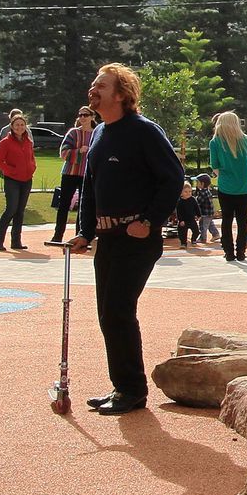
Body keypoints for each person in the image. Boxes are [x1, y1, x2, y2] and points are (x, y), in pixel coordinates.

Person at [69, 63, 184, 415]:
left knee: (119, 310)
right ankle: (123, 386)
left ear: (121, 94)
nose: (93, 89)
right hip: (108, 239)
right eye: (93, 84)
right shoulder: (101, 132)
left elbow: (173, 177)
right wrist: (84, 232)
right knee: (108, 313)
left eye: (101, 85)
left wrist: (150, 221)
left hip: (136, 239)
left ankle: (132, 391)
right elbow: (90, 188)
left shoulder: (144, 131)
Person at [210, 110, 247, 263]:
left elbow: (214, 166)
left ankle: (229, 252)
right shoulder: (246, 141)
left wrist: (223, 173)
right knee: (242, 219)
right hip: (245, 186)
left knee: (227, 220)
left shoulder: (215, 142)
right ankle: (241, 251)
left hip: (226, 187)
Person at [47, 106, 95, 245]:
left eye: (85, 115)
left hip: (87, 174)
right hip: (70, 173)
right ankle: (57, 235)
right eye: (80, 115)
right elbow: (63, 152)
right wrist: (79, 151)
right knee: (64, 204)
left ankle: (81, 235)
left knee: (84, 206)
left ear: (92, 117)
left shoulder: (96, 133)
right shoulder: (73, 133)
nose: (82, 118)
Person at [0, 114, 36, 252]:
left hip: (27, 179)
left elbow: (31, 157)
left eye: (22, 125)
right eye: (17, 125)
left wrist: (33, 167)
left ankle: (16, 241)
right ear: (12, 126)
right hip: (12, 180)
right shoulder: (5, 142)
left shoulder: (28, 141)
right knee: (11, 209)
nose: (20, 127)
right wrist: (11, 171)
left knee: (20, 212)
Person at [194, 173, 220, 244]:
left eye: (197, 182)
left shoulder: (202, 193)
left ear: (202, 184)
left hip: (205, 213)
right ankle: (216, 234)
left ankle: (203, 238)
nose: (196, 183)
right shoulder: (207, 191)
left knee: (202, 226)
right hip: (209, 213)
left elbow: (198, 203)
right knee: (210, 224)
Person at [175, 179, 202, 248]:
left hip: (191, 219)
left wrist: (199, 215)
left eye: (190, 192)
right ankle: (183, 243)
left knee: (196, 231)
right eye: (186, 192)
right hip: (183, 220)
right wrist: (180, 220)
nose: (188, 193)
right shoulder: (180, 201)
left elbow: (197, 207)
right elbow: (178, 212)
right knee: (182, 233)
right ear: (181, 192)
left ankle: (193, 240)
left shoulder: (192, 199)